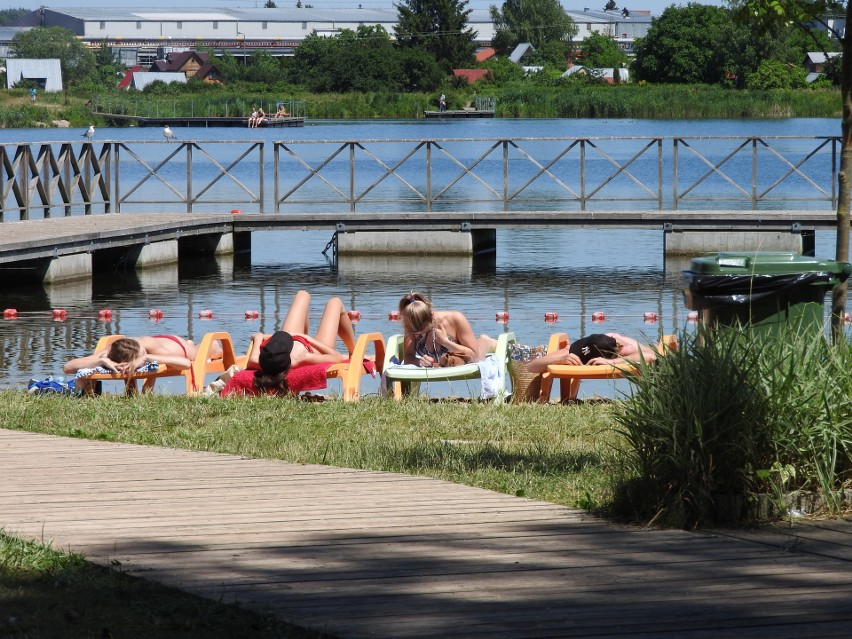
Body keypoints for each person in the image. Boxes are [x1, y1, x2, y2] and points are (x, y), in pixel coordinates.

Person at [221, 290, 358, 396]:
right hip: (312, 347)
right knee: (335, 302)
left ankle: (289, 336)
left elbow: (252, 358)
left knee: (302, 294)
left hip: (289, 340)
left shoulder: (263, 360)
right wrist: (306, 338)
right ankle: (354, 350)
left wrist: (258, 337)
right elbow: (337, 357)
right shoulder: (301, 357)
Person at [63, 335, 222, 394]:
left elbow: (186, 363)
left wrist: (147, 357)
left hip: (175, 346)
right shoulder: (112, 350)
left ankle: (207, 346)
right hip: (156, 343)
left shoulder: (147, 347)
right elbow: (68, 367)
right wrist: (100, 360)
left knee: (200, 351)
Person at [397, 292, 496, 368]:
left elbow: (475, 356)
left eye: (423, 330)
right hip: (448, 360)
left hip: (475, 349)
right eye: (415, 333)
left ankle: (487, 340)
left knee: (484, 345)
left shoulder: (455, 318)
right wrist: (419, 362)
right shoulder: (411, 325)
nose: (419, 334)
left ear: (431, 316)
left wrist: (446, 342)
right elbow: (408, 357)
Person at [526, 333, 658, 374]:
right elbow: (531, 367)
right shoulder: (572, 351)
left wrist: (611, 362)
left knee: (651, 349)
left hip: (617, 347)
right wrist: (561, 359)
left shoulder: (624, 350)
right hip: (603, 340)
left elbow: (651, 356)